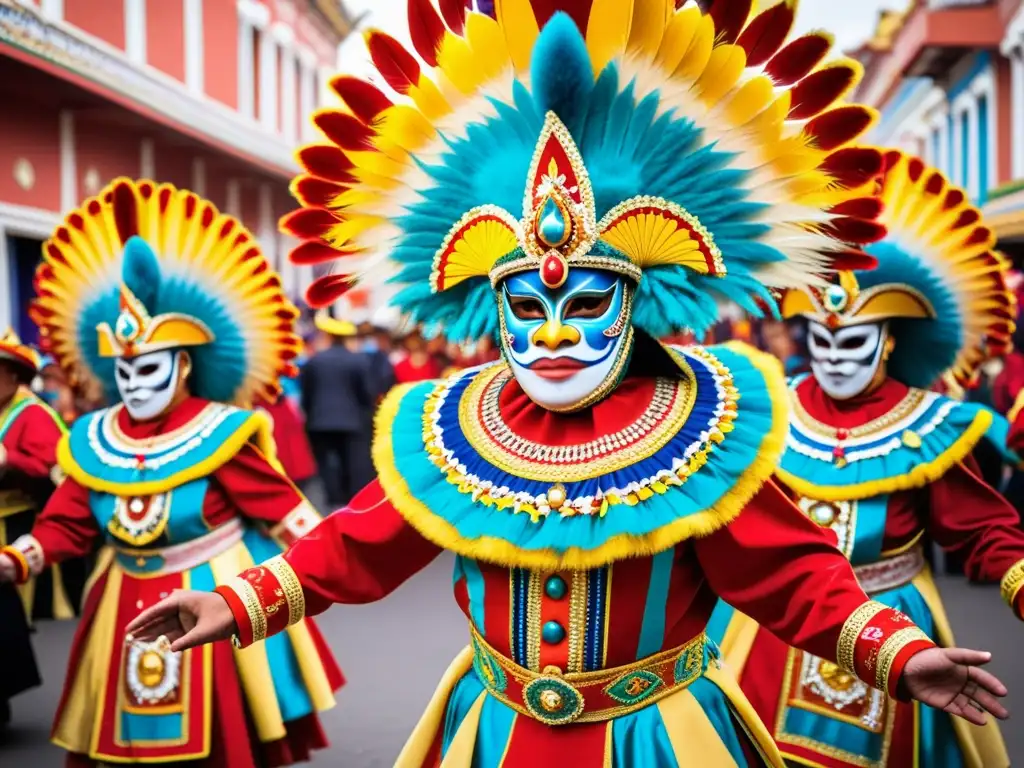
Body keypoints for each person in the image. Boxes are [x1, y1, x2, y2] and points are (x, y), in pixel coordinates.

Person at [129, 4, 1009, 766]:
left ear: (634, 305)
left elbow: (787, 572)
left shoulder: (697, 432)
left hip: (657, 736)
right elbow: (360, 543)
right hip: (493, 730)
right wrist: (234, 601)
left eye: (584, 300)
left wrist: (897, 654)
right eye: (526, 301)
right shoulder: (453, 430)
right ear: (491, 304)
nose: (551, 331)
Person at [0, 178, 343, 766]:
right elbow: (69, 523)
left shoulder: (222, 433)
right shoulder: (92, 439)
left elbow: (284, 511)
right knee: (123, 742)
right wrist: (16, 559)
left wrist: (330, 562)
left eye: (150, 368)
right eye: (124, 371)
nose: (134, 384)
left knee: (219, 740)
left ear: (184, 364)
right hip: (121, 598)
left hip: (211, 593)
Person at [711, 152, 1024, 767]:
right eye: (820, 339)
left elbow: (984, 531)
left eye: (852, 340)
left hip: (892, 622)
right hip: (774, 630)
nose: (833, 357)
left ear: (890, 342)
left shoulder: (929, 426)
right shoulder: (768, 410)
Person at [0, 330, 64, 727]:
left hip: (17, 523)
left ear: (12, 376)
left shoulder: (33, 413)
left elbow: (55, 468)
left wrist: (11, 462)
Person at [301, 308, 376, 507]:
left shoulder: (314, 361)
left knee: (325, 461)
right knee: (352, 460)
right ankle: (351, 498)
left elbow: (306, 392)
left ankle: (333, 496)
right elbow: (366, 392)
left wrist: (310, 415)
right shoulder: (358, 360)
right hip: (352, 420)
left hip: (319, 421)